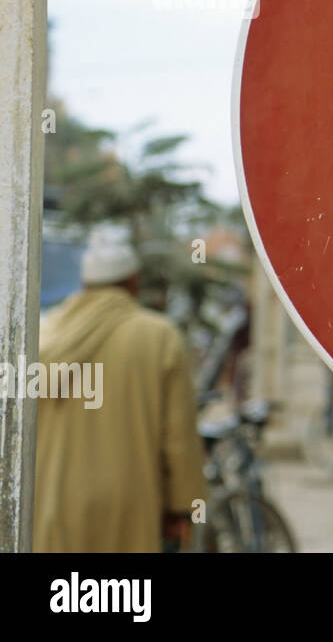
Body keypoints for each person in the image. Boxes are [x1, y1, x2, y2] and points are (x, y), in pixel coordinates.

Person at [33, 228, 208, 552]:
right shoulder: (160, 337)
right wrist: (183, 505)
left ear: (85, 283)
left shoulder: (42, 335)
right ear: (132, 282)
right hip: (130, 503)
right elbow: (179, 438)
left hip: (52, 502)